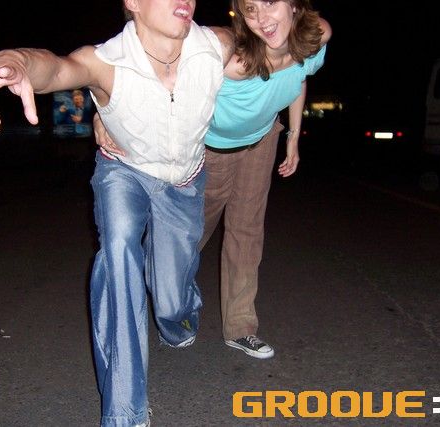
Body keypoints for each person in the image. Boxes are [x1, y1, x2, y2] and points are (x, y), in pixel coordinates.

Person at [0, 0, 233, 425]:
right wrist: (15, 61)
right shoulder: (107, 61)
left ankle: (179, 317)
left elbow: (277, 44)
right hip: (123, 170)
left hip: (183, 181)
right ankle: (125, 411)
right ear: (133, 3)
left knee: (171, 298)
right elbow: (56, 69)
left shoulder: (215, 45)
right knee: (119, 253)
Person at [95, 0, 331, 360]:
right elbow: (161, 72)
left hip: (261, 142)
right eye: (250, 10)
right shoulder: (233, 60)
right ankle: (168, 302)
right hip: (211, 150)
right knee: (185, 238)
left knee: (247, 232)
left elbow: (299, 77)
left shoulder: (314, 39)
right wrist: (105, 113)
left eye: (270, 3)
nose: (262, 18)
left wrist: (294, 136)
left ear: (295, 6)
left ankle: (241, 327)